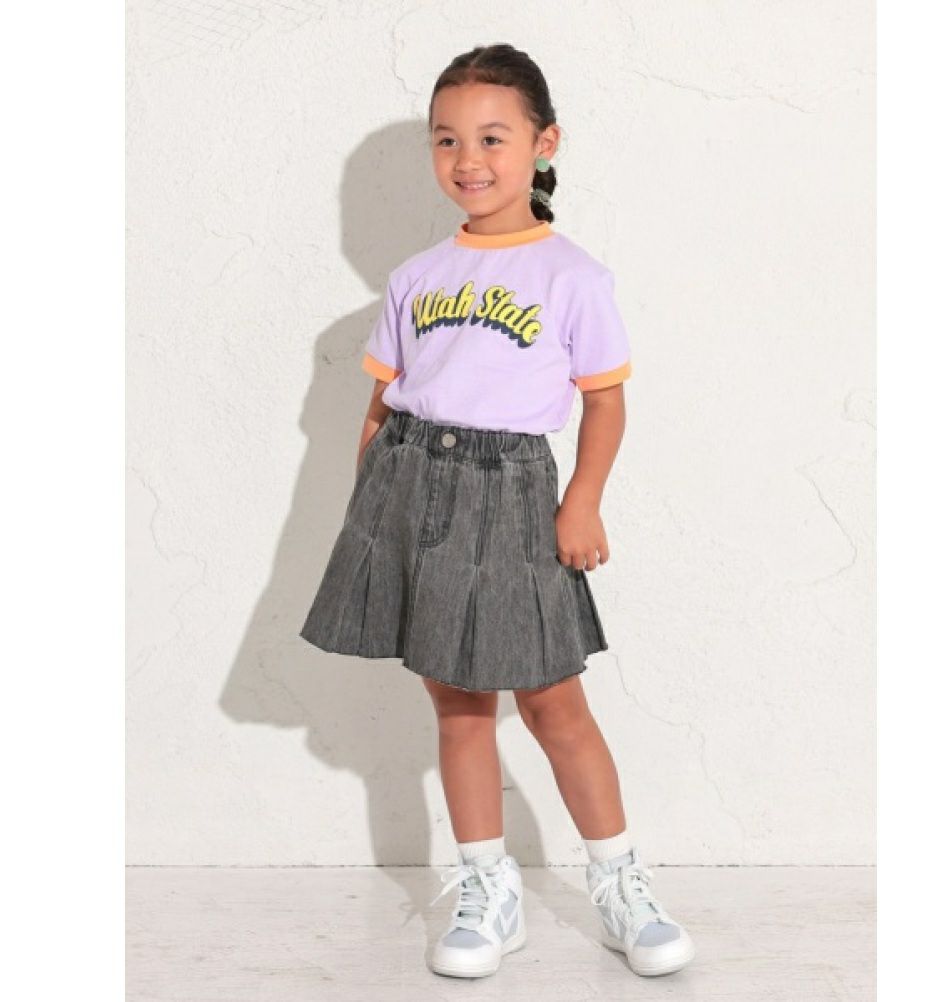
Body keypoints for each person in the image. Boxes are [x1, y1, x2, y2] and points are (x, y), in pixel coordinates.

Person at [299, 43, 695, 980]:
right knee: (457, 701)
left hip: (513, 491)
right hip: (409, 489)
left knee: (554, 700)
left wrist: (581, 501)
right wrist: (372, 515)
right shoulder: (416, 277)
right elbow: (382, 405)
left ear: (543, 143)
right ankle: (488, 889)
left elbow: (605, 401)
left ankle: (620, 882)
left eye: (491, 137)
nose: (467, 159)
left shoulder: (573, 276)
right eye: (447, 140)